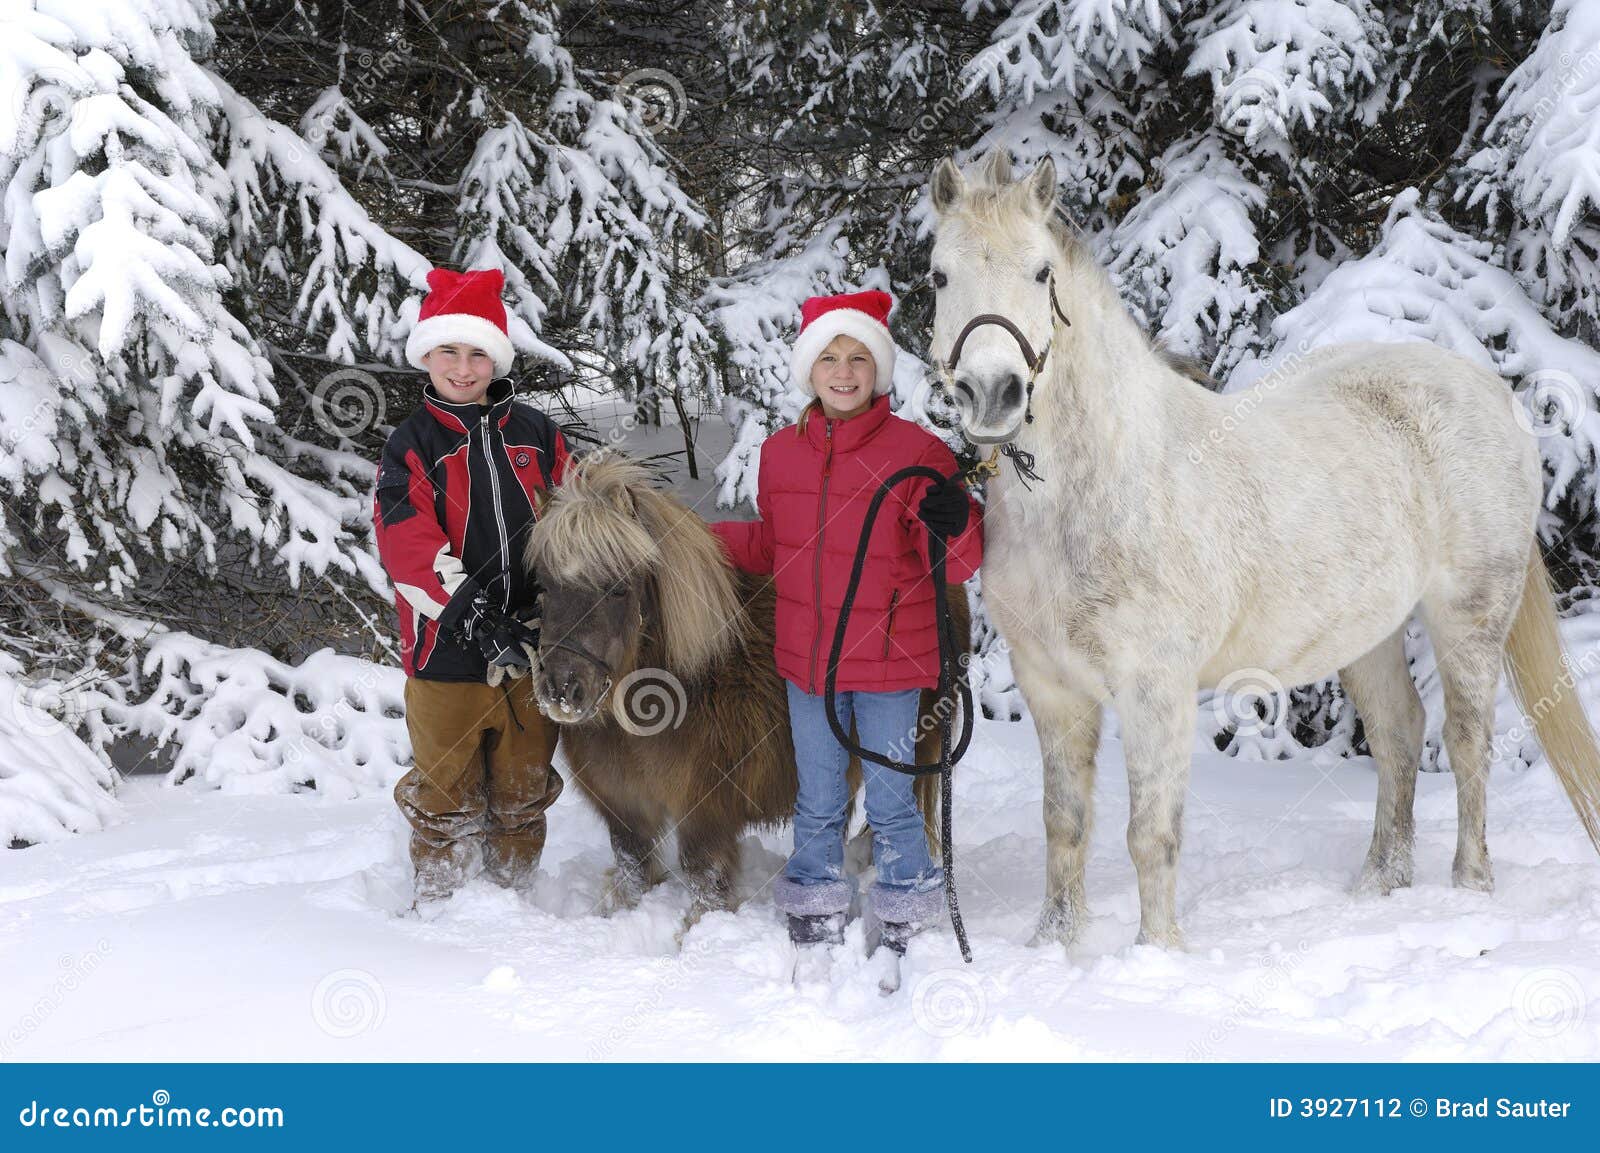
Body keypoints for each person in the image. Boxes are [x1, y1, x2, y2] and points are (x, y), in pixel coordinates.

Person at [710, 289, 983, 956]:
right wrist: (695, 542)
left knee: (891, 796)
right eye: (829, 357)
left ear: (878, 370)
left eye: (858, 357)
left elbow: (956, 561)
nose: (843, 371)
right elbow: (775, 549)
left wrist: (960, 519)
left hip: (890, 664)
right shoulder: (780, 454)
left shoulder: (920, 452)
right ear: (809, 369)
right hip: (809, 663)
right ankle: (815, 893)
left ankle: (903, 897)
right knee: (820, 796)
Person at [372, 267, 570, 912]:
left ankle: (512, 899)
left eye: (477, 351)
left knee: (522, 787)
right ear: (426, 354)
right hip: (445, 652)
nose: (463, 366)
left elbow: (576, 521)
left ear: (498, 357)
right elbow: (408, 548)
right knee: (446, 789)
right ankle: (441, 901)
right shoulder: (413, 444)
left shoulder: (536, 433)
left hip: (535, 648)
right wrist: (479, 620)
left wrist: (553, 605)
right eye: (449, 351)